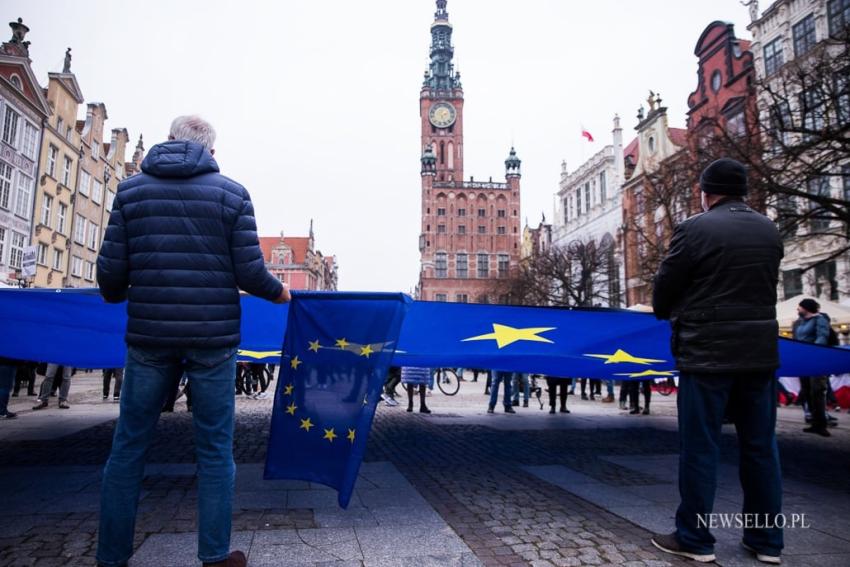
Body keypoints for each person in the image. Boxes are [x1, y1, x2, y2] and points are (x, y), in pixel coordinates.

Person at [95, 115, 290, 567]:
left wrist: (115, 293)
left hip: (149, 335)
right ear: (211, 152)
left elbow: (109, 273)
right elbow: (249, 273)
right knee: (215, 448)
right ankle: (215, 554)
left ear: (167, 142)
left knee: (128, 446)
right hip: (212, 339)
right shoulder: (232, 194)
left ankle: (110, 557)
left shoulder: (130, 191)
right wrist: (281, 292)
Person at [650, 158, 784, 565]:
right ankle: (767, 541)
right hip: (759, 355)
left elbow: (662, 295)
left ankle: (694, 537)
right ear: (743, 191)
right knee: (761, 447)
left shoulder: (695, 228)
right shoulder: (770, 229)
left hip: (707, 354)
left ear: (706, 193)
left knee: (701, 446)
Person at [792, 298, 831, 437]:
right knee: (807, 391)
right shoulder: (799, 323)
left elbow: (822, 337)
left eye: (800, 307)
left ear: (806, 308)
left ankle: (821, 424)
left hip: (816, 359)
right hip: (803, 360)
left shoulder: (820, 319)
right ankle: (814, 423)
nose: (798, 310)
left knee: (818, 392)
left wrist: (813, 352)